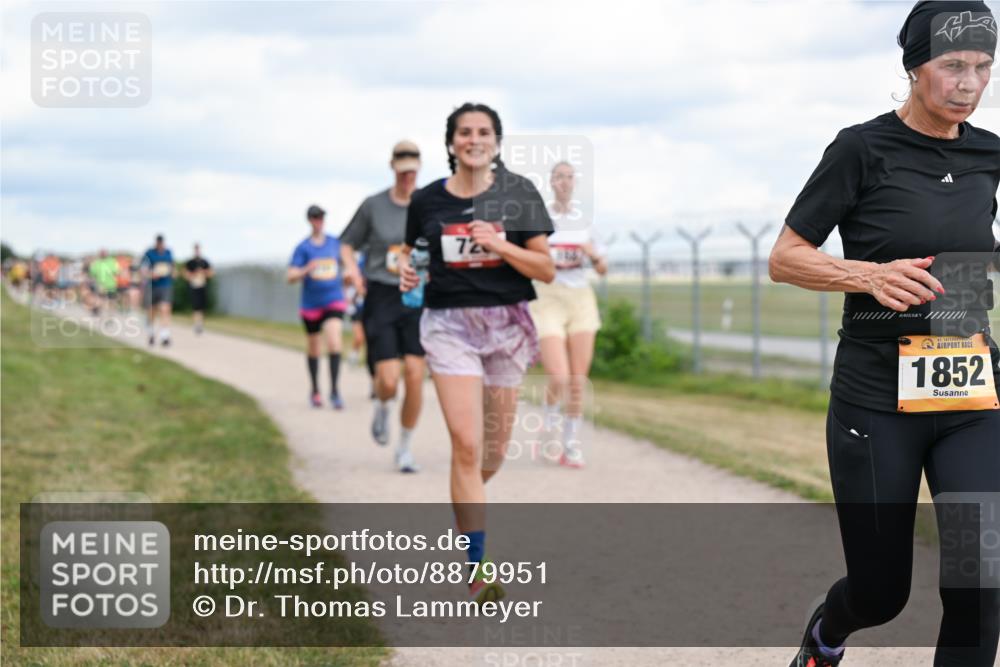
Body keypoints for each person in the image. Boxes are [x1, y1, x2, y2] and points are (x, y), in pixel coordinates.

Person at [770, 3, 999, 665]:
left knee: (980, 579)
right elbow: (785, 256)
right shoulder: (861, 148)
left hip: (968, 392)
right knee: (879, 591)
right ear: (914, 65)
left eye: (983, 67)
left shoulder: (989, 154)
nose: (969, 83)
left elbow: (975, 243)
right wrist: (866, 274)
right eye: (953, 65)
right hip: (876, 397)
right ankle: (824, 638)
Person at [399, 103, 555, 602]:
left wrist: (501, 245)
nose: (473, 139)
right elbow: (415, 258)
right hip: (448, 326)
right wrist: (408, 275)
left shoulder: (519, 194)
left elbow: (545, 269)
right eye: (464, 132)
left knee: (491, 454)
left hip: (507, 325)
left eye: (483, 132)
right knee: (465, 446)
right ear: (451, 144)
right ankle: (478, 565)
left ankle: (467, 509)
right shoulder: (426, 202)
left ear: (496, 141)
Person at [341, 141, 426, 473]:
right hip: (381, 294)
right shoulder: (373, 206)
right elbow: (346, 244)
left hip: (417, 296)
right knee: (389, 380)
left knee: (416, 376)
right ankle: (382, 406)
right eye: (402, 171)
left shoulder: (428, 204)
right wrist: (351, 269)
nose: (407, 178)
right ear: (393, 168)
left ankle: (404, 448)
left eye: (412, 172)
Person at [528, 162, 607, 468]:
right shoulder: (540, 220)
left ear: (575, 183)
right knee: (558, 376)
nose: (564, 182)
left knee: (577, 379)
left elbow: (602, 268)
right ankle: (549, 424)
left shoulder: (585, 223)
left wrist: (593, 254)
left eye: (569, 177)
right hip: (547, 298)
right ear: (551, 182)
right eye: (558, 176)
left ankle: (571, 443)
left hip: (580, 300)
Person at [288, 204, 347, 409]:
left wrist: (351, 277)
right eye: (314, 217)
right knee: (314, 347)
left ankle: (335, 391)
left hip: (334, 299)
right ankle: (315, 389)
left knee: (334, 341)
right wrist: (306, 269)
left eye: (321, 217)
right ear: (309, 220)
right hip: (311, 304)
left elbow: (347, 264)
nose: (318, 221)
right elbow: (291, 276)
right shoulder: (303, 247)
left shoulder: (334, 243)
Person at [141, 235, 176, 346]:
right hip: (152, 286)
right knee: (152, 311)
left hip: (165, 285)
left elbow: (172, 267)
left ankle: (165, 336)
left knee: (165, 309)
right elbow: (143, 269)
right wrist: (150, 274)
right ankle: (151, 334)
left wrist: (173, 272)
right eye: (158, 243)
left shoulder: (168, 253)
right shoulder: (149, 253)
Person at [184, 244, 213, 334]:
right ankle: (196, 324)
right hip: (194, 286)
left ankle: (201, 325)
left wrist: (203, 272)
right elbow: (185, 275)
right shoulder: (190, 262)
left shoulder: (205, 262)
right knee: (195, 307)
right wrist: (194, 274)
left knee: (202, 307)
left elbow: (211, 273)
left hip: (203, 286)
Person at [88, 249, 119, 316]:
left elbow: (117, 271)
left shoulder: (111, 262)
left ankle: (110, 313)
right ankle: (103, 312)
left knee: (110, 300)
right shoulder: (97, 262)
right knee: (102, 299)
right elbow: (92, 273)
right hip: (102, 284)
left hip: (110, 284)